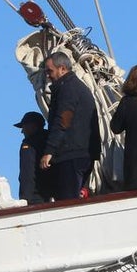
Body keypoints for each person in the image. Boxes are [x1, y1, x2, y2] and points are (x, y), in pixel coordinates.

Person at [41, 51, 98, 200]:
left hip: (72, 155)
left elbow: (63, 120)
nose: (48, 75)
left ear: (62, 69)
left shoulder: (68, 89)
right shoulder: (78, 87)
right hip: (83, 153)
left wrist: (49, 151)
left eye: (50, 71)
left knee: (68, 204)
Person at [13, 111, 52, 204]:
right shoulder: (51, 141)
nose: (22, 131)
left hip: (36, 196)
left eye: (24, 127)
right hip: (55, 192)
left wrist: (24, 198)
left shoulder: (28, 145)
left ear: (33, 126)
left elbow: (27, 172)